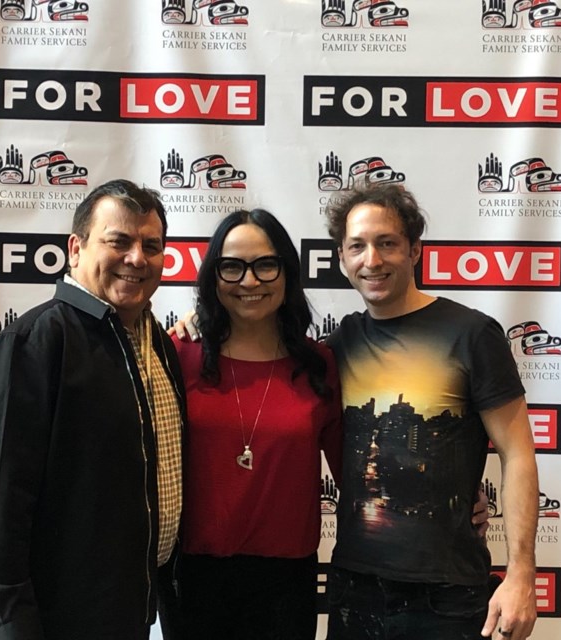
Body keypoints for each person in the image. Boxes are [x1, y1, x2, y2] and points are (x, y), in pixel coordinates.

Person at [0, 179, 186, 640]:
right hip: (54, 622)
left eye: (151, 245)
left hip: (135, 614)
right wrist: (13, 625)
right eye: (118, 241)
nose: (136, 259)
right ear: (76, 248)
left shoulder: (159, 346)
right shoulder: (31, 345)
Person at [323, 183, 539, 640]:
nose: (372, 260)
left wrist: (522, 574)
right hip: (355, 590)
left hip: (448, 597)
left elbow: (518, 453)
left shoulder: (471, 334)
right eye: (357, 246)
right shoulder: (339, 344)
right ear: (341, 258)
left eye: (387, 243)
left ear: (415, 249)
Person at [170, 208, 343, 639]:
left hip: (287, 581)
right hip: (193, 576)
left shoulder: (318, 364)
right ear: (213, 275)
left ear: (287, 273)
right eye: (232, 267)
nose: (249, 282)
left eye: (266, 265)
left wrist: (446, 502)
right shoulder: (178, 355)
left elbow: (355, 473)